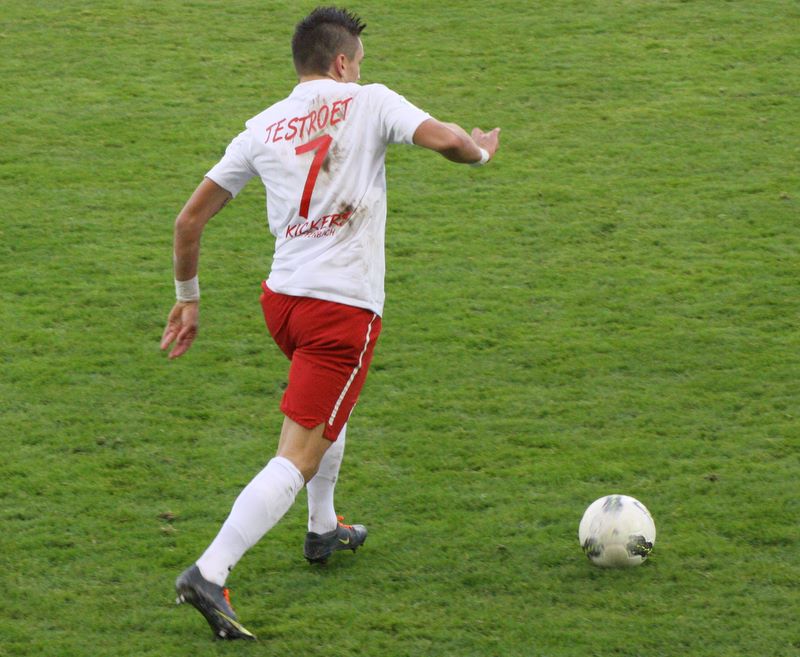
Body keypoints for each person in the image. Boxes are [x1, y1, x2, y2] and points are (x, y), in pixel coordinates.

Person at [160, 6, 500, 641]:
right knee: (298, 454)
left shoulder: (262, 127)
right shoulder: (369, 102)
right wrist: (480, 151)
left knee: (327, 409)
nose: (362, 72)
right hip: (340, 313)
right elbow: (449, 141)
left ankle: (323, 530)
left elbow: (188, 221)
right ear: (342, 63)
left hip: (282, 305)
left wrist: (189, 299)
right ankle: (209, 570)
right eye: (360, 63)